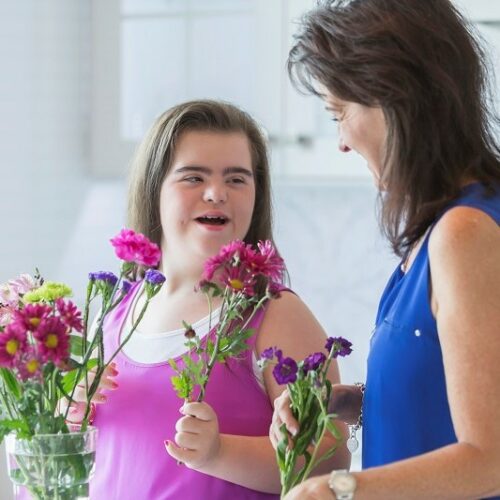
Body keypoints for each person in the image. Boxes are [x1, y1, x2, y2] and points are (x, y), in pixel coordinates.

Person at [270, 0, 500, 498]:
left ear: (392, 97)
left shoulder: (466, 233)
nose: (341, 143)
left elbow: (490, 459)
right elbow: (446, 398)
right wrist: (351, 402)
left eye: (339, 113)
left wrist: (336, 488)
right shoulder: (439, 229)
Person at [80, 100, 350, 499]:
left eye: (237, 179)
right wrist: (72, 415)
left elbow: (330, 462)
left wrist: (219, 453)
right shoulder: (117, 312)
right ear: (153, 189)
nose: (216, 193)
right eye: (193, 177)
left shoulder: (275, 315)